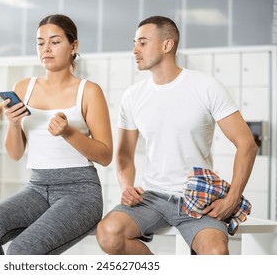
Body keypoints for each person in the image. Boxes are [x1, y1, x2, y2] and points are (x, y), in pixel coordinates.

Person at [96, 15, 258, 255]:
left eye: (142, 42)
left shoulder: (206, 86)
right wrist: (127, 186)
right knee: (108, 234)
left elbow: (247, 144)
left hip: (197, 198)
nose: (134, 50)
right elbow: (124, 155)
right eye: (134, 43)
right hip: (151, 198)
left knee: (216, 253)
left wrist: (232, 198)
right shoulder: (132, 96)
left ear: (167, 45)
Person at [0, 14, 112, 255]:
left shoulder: (88, 91)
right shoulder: (23, 87)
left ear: (73, 46)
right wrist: (14, 125)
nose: (46, 49)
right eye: (40, 42)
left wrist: (68, 132)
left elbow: (105, 155)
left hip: (80, 192)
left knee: (23, 250)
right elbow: (15, 154)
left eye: (55, 42)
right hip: (37, 188)